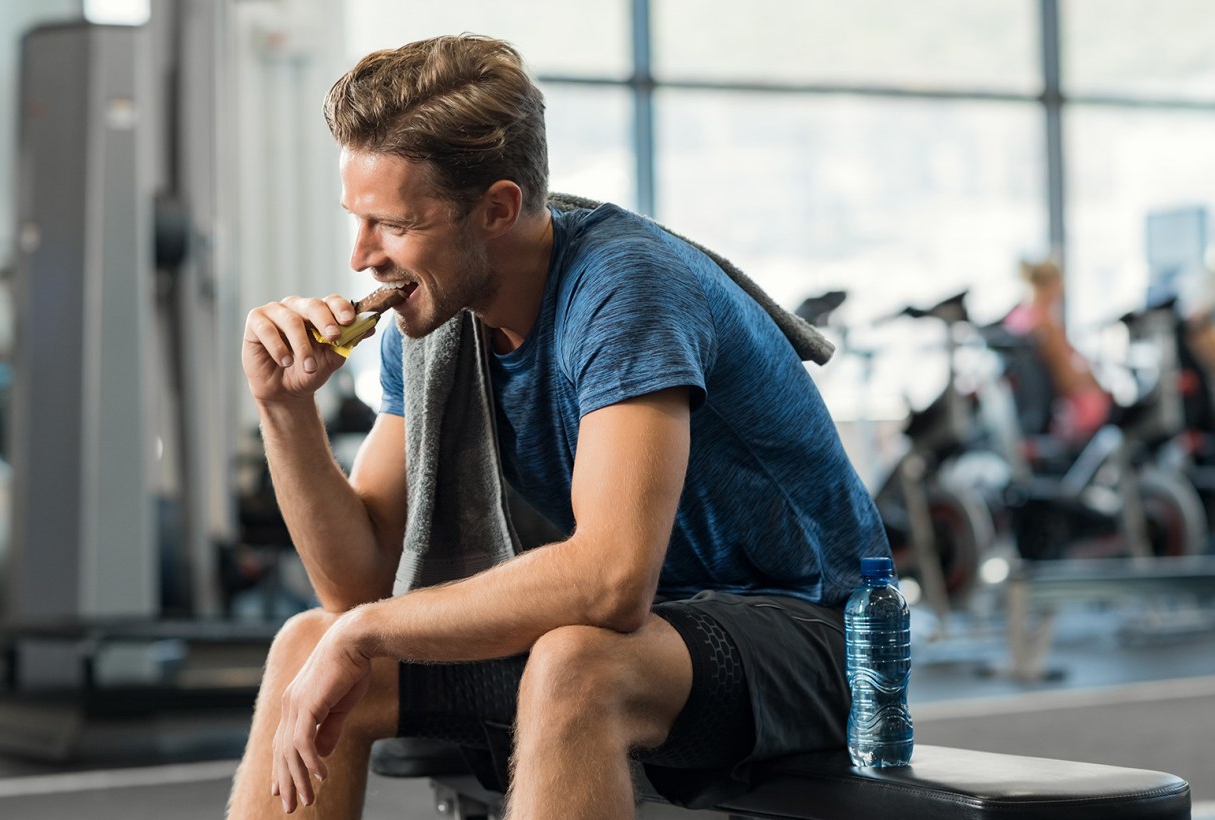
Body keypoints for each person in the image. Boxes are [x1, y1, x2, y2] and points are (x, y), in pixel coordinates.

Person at [228, 34, 888, 820]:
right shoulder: (433, 313)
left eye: (392, 224)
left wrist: (368, 632)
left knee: (579, 662)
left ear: (498, 209)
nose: (360, 256)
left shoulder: (625, 287)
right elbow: (355, 584)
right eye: (357, 220)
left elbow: (610, 582)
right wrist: (284, 407)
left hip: (822, 633)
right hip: (656, 629)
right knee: (309, 640)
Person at [1003, 257, 1111, 443]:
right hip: (1062, 411)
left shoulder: (1017, 317)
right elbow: (1065, 380)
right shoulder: (1046, 324)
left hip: (1027, 412)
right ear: (1053, 284)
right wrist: (1097, 384)